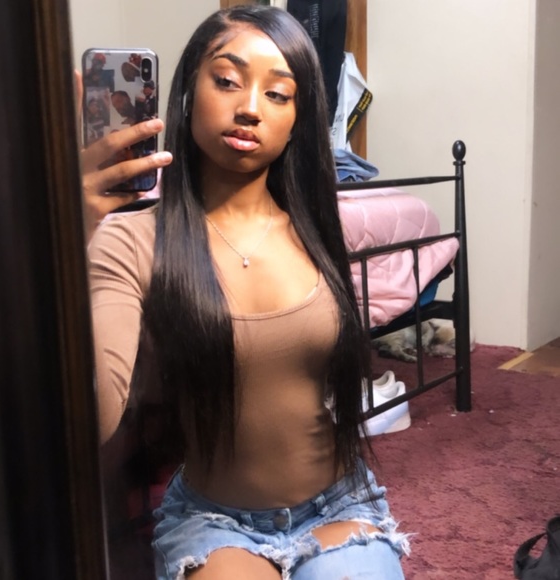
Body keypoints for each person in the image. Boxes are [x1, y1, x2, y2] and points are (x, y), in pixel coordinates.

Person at [81, 5, 409, 579]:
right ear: (188, 92)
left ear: (298, 119)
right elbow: (92, 417)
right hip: (214, 521)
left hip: (338, 506)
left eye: (278, 94)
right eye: (228, 80)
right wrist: (67, 236)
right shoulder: (130, 240)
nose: (251, 108)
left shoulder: (315, 225)